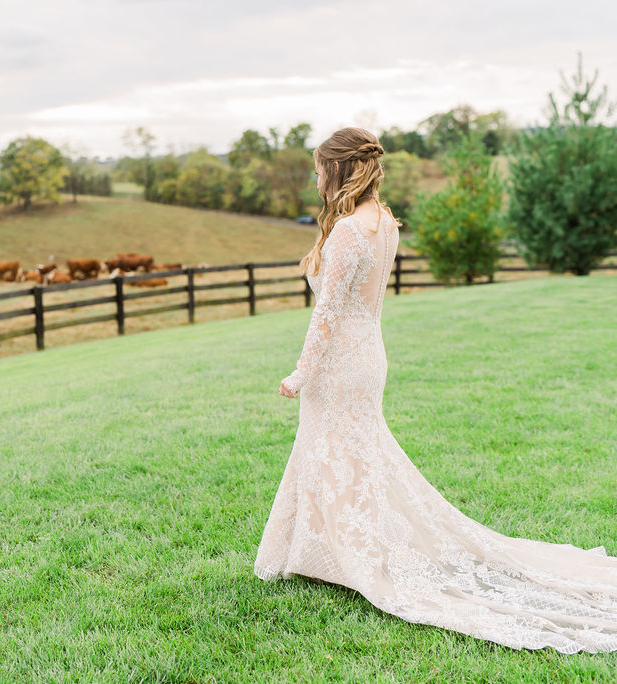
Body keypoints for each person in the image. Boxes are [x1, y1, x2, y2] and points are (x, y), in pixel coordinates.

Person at [254, 128, 617, 653]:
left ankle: (351, 555)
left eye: (318, 170)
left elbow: (327, 315)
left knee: (336, 451)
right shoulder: (385, 225)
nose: (315, 179)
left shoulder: (349, 232)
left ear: (338, 169)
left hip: (339, 362)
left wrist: (299, 373)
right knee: (350, 453)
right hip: (369, 355)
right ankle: (318, 550)